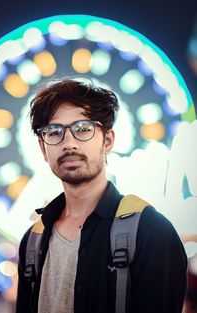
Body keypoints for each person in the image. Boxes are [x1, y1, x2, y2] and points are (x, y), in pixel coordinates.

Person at [16, 78, 187, 313]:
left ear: (108, 140)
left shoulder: (150, 231)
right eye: (54, 132)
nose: (69, 143)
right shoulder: (32, 242)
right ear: (43, 149)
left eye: (83, 129)